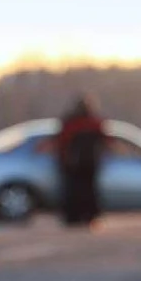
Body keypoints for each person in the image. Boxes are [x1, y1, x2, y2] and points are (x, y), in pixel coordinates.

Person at [55, 93, 108, 226]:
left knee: (74, 191)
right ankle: (88, 216)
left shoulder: (70, 123)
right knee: (87, 191)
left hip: (74, 164)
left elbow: (61, 142)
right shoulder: (94, 122)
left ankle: (74, 217)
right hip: (88, 163)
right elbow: (106, 141)